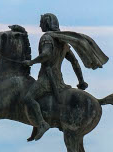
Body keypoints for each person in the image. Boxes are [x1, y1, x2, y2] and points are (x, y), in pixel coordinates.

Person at [22, 13, 108, 142]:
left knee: (28, 98)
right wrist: (81, 81)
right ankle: (36, 126)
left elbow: (46, 55)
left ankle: (42, 124)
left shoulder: (47, 38)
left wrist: (31, 62)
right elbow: (75, 63)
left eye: (41, 23)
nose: (40, 25)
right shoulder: (63, 42)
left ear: (47, 23)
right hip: (59, 81)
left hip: (47, 79)